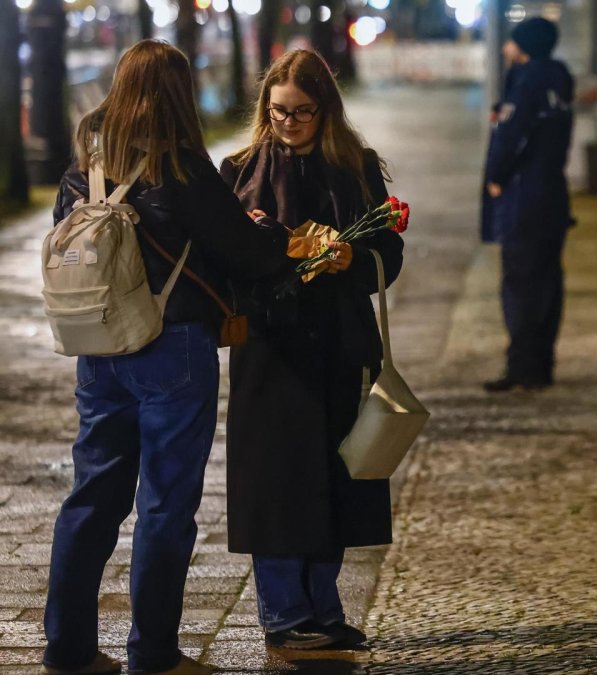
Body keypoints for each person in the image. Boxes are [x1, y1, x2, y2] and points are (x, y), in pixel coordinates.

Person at [42, 40, 290, 675]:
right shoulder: (179, 164)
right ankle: (153, 653)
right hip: (172, 346)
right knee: (165, 505)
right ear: (177, 93)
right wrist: (271, 232)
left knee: (91, 497)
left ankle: (67, 650)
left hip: (98, 348)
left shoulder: (83, 164)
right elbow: (245, 251)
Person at [219, 49, 404, 650]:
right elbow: (224, 264)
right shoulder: (239, 170)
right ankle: (283, 615)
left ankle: (324, 609)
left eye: (302, 112)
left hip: (339, 342)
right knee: (276, 482)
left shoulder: (357, 169)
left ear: (327, 110)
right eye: (278, 112)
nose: (289, 124)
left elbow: (390, 256)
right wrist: (277, 250)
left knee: (333, 477)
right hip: (270, 350)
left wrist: (354, 258)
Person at [481, 17, 576, 392]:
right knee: (548, 280)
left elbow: (512, 135)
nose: (505, 48)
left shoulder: (527, 81)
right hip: (552, 192)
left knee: (520, 283)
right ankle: (542, 363)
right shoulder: (558, 77)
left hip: (524, 196)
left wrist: (496, 179)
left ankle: (523, 367)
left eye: (512, 43)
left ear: (524, 47)